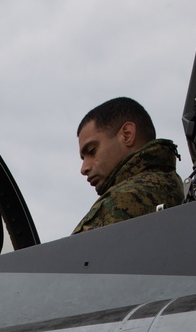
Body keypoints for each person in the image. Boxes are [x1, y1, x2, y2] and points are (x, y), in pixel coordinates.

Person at [73, 96, 184, 234]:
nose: (84, 168)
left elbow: (74, 255)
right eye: (83, 158)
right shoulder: (172, 186)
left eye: (92, 151)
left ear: (127, 135)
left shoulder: (119, 202)